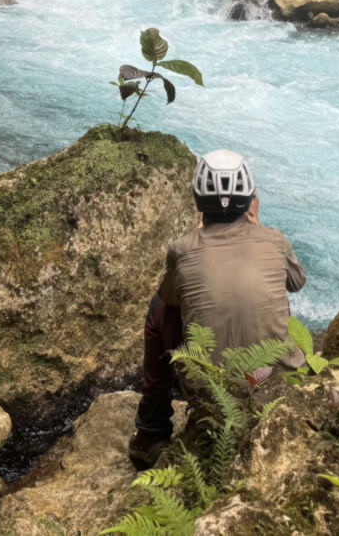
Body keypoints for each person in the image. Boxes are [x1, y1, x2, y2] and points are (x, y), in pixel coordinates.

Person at [129, 149, 307, 468]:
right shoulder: (275, 240)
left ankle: (151, 431)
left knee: (159, 309)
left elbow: (169, 298)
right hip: (277, 385)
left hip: (213, 395)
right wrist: (258, 226)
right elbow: (296, 282)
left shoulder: (182, 249)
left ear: (198, 201)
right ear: (251, 198)